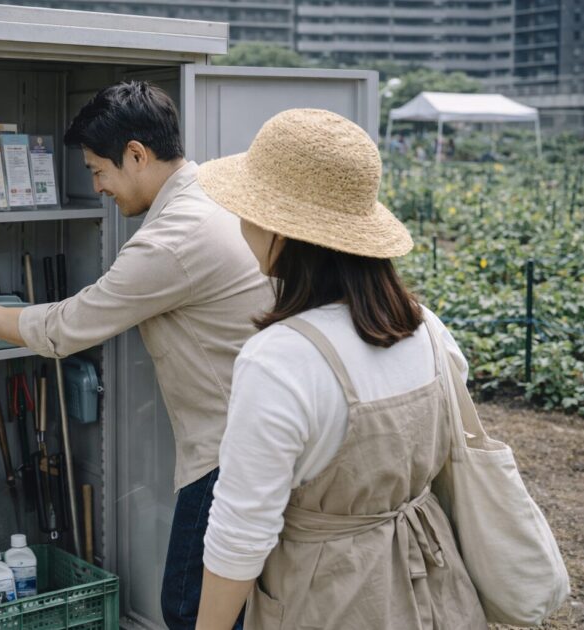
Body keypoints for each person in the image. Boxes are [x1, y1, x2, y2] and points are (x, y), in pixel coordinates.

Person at [0, 81, 271, 629]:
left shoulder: (171, 239)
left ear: (136, 154)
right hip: (264, 438)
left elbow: (64, 329)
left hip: (227, 454)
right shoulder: (215, 194)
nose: (98, 188)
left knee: (189, 606)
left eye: (98, 171)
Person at [193, 109, 487, 629]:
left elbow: (241, 533)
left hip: (332, 596)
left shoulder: (280, 359)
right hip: (434, 586)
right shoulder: (427, 329)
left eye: (248, 209)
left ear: (278, 228)